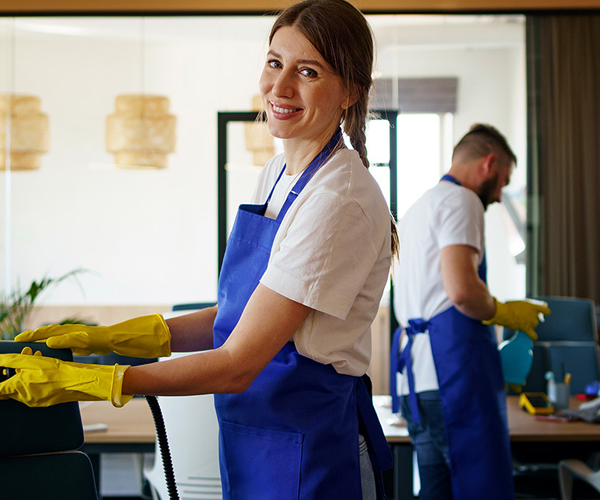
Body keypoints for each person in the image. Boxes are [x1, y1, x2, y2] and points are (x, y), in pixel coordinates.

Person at [0, 1, 397, 498]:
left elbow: (237, 362)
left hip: (310, 450)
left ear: (350, 92)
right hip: (254, 440)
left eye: (308, 71)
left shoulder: (337, 199)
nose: (280, 86)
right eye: (275, 62)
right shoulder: (276, 175)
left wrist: (98, 381)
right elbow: (239, 317)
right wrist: (105, 338)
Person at [390, 124, 551, 500]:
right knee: (482, 490)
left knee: (436, 490)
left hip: (415, 381)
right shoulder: (463, 201)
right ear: (489, 163)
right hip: (453, 377)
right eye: (502, 181)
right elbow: (461, 291)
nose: (498, 195)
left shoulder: (417, 208)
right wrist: (505, 312)